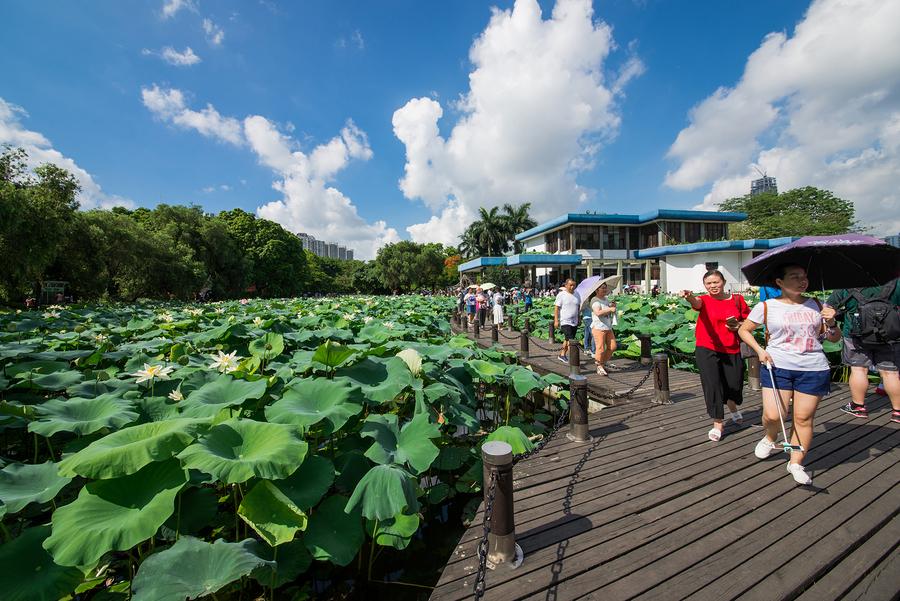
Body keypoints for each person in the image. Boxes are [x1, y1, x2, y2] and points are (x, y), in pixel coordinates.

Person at [738, 264, 842, 485]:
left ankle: (796, 462)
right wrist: (760, 351)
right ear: (779, 282)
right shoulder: (767, 306)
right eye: (794, 277)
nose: (802, 281)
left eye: (804, 277)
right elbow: (743, 330)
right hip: (778, 366)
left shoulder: (817, 305)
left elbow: (833, 338)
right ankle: (770, 436)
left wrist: (832, 321)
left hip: (813, 367)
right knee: (774, 415)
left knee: (803, 418)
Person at [682, 270, 750, 441]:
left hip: (731, 347)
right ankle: (718, 422)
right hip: (707, 347)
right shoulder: (704, 300)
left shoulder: (737, 299)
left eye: (716, 282)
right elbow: (696, 303)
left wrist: (738, 325)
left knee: (734, 385)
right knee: (712, 384)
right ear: (705, 285)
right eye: (709, 283)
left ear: (724, 282)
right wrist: (689, 297)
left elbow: (748, 321)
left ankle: (732, 406)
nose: (713, 286)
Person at [825, 278, 900, 424]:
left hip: (855, 334)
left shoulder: (847, 283)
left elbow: (829, 308)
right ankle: (897, 411)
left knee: (859, 370)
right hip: (889, 334)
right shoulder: (895, 282)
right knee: (890, 372)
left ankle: (858, 406)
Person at [590, 282, 618, 375]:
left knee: (612, 347)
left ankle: (602, 363)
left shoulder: (605, 299)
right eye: (602, 288)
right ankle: (599, 366)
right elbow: (598, 312)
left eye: (605, 288)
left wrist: (612, 306)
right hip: (598, 327)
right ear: (597, 290)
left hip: (608, 326)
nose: (604, 289)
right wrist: (610, 309)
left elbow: (606, 311)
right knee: (600, 348)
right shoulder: (595, 300)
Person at [553, 278, 581, 363]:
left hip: (574, 321)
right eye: (570, 285)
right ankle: (574, 359)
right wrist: (556, 320)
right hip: (565, 321)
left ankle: (562, 354)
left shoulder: (577, 294)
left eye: (574, 285)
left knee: (567, 339)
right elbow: (556, 308)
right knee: (571, 340)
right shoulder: (561, 295)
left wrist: (579, 318)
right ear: (566, 285)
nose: (572, 287)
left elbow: (578, 307)